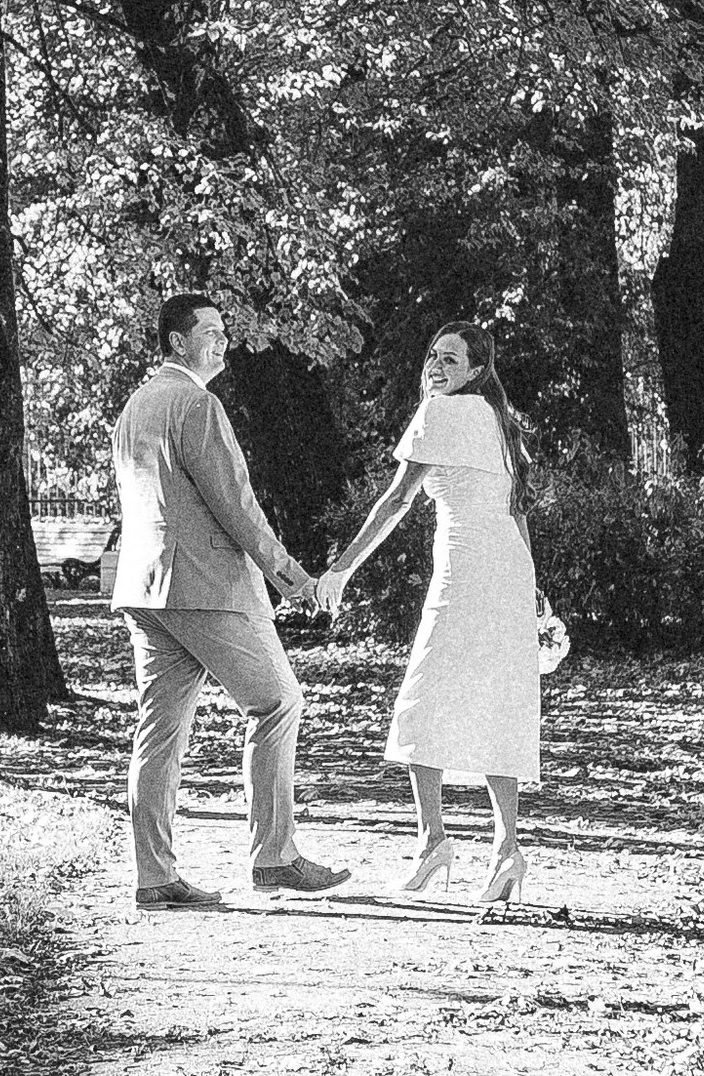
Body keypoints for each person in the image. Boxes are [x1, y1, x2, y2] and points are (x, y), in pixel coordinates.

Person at [109, 295, 350, 910]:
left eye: (224, 332)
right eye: (210, 332)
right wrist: (291, 575)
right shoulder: (197, 404)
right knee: (278, 702)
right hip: (206, 587)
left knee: (160, 729)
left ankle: (154, 876)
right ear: (176, 342)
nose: (222, 342)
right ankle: (275, 857)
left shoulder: (135, 407)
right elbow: (235, 504)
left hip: (145, 587)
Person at [317, 317, 542, 915]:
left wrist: (341, 568)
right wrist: (534, 591)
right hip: (509, 572)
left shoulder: (440, 413)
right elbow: (518, 512)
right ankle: (506, 847)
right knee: (498, 700)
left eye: (451, 359)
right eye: (433, 356)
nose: (436, 368)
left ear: (477, 370)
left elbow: (396, 500)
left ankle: (433, 840)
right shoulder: (500, 420)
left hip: (466, 570)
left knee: (421, 700)